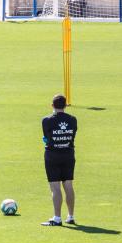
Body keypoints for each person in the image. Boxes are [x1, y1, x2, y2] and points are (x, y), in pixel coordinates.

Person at [40, 94, 78, 226]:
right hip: (68, 154)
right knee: (68, 185)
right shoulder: (73, 119)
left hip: (52, 155)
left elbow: (46, 136)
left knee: (55, 187)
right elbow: (73, 134)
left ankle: (57, 218)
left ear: (52, 105)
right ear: (65, 105)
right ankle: (71, 216)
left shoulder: (46, 120)